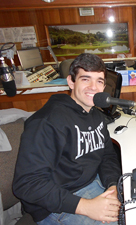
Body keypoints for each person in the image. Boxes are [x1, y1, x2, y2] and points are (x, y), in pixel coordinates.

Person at [13, 53, 122, 224]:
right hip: (55, 204)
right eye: (86, 79)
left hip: (92, 185)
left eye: (99, 81)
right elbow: (27, 184)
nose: (93, 87)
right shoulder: (46, 122)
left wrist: (113, 186)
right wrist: (87, 207)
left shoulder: (96, 116)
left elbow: (107, 156)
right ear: (71, 81)